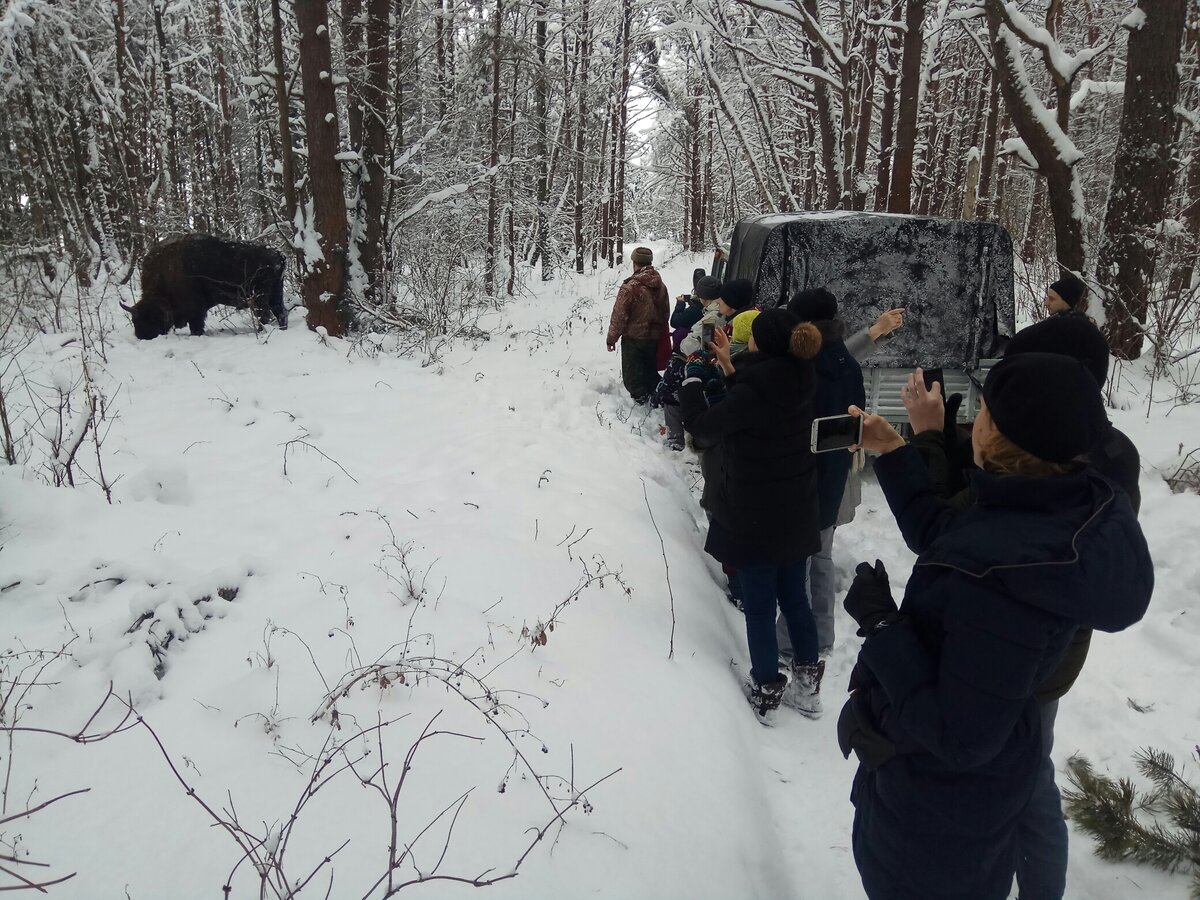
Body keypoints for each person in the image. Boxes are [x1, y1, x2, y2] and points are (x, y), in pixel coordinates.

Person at [837, 352, 1154, 900]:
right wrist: (893, 450)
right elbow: (950, 533)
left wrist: (883, 625)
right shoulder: (1055, 504)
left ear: (995, 435)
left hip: (938, 816)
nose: (975, 416)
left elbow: (962, 739)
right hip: (960, 801)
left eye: (985, 410)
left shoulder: (1002, 578)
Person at [679, 308, 826, 721]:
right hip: (796, 508)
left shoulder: (755, 391)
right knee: (796, 598)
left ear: (759, 343)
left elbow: (705, 427)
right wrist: (729, 366)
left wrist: (692, 380)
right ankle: (808, 690)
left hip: (757, 514)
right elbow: (758, 401)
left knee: (761, 606)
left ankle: (765, 690)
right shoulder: (800, 374)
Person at [778, 288, 865, 658]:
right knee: (822, 556)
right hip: (833, 475)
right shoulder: (847, 361)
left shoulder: (804, 365)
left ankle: (789, 641)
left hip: (801, 477)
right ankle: (824, 635)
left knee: (796, 562)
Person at [606, 246, 669, 404]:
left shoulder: (630, 287)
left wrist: (611, 338)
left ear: (634, 263)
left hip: (633, 338)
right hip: (654, 337)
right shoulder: (661, 286)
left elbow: (619, 315)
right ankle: (655, 396)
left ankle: (642, 400)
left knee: (632, 375)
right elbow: (666, 312)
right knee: (650, 370)